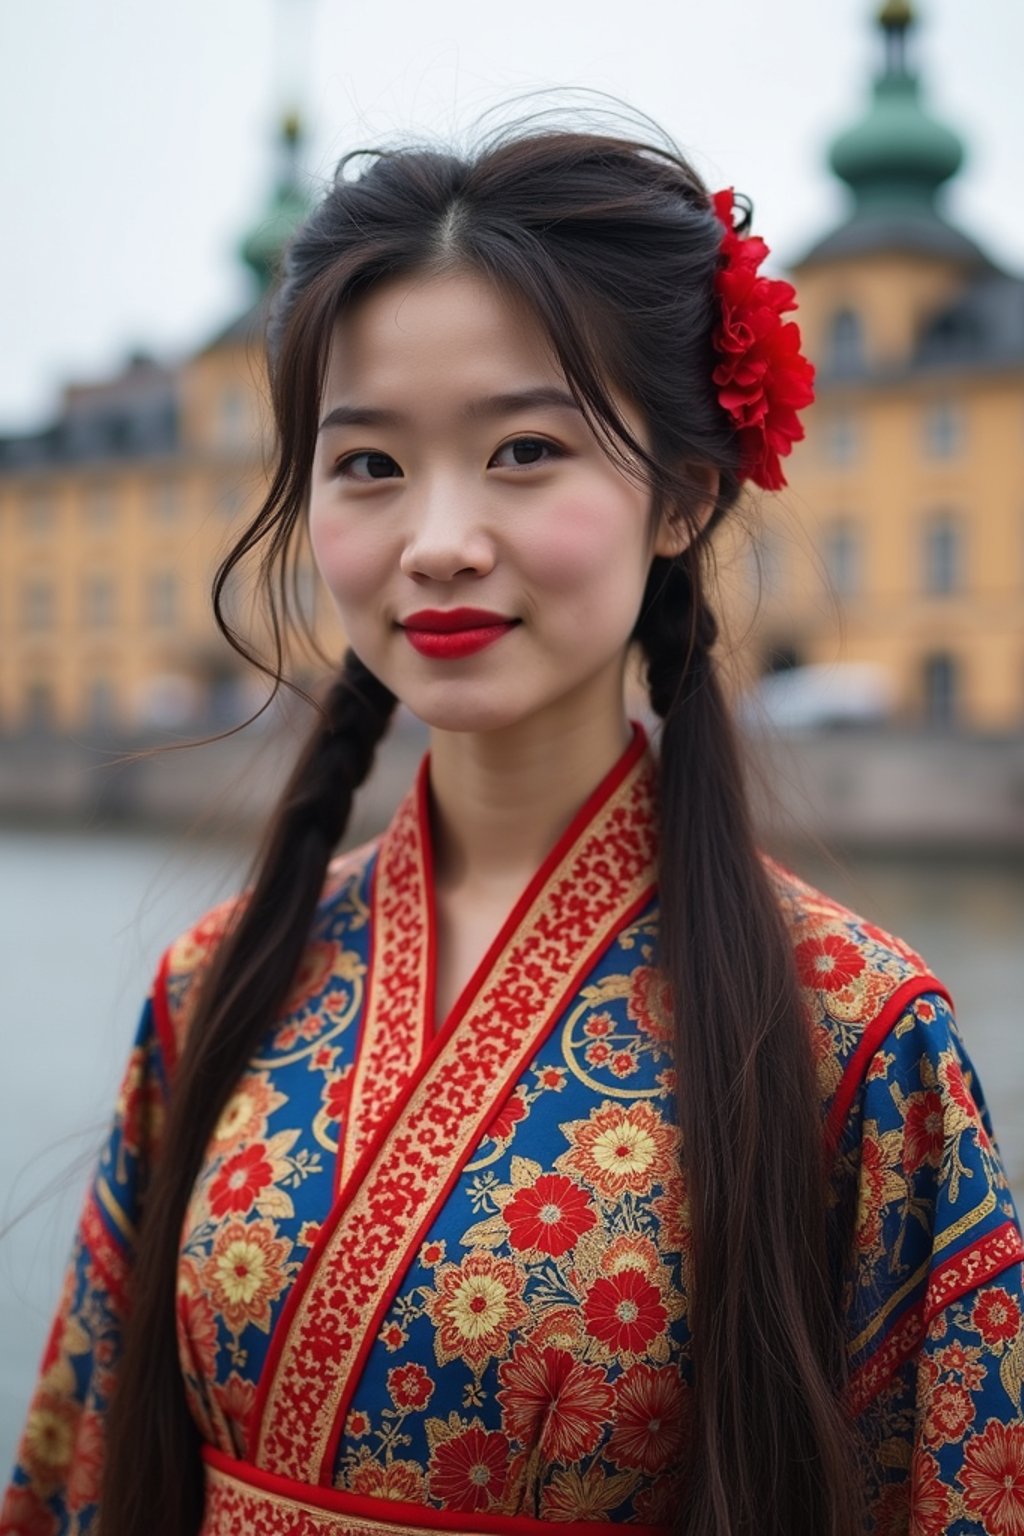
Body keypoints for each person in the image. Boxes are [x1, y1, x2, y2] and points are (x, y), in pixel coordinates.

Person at [3, 118, 1023, 1536]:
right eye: (367, 465)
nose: (437, 537)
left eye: (525, 449)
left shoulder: (854, 1032)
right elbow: (82, 1475)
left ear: (683, 493)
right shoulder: (217, 981)